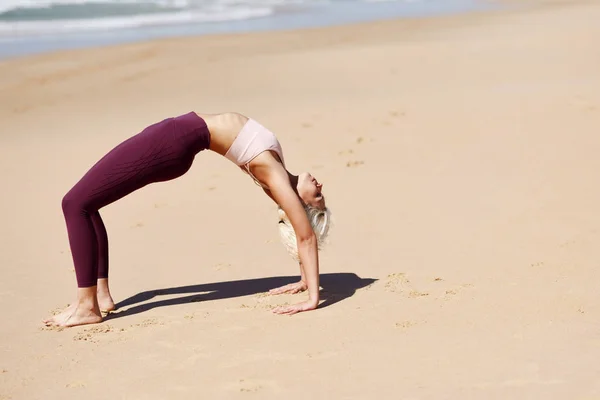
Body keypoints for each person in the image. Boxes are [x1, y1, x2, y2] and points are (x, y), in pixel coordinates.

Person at [43, 111, 331, 328]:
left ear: (300, 205)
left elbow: (305, 236)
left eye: (317, 199)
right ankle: (101, 295)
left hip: (173, 142)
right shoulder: (278, 175)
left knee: (74, 203)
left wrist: (313, 298)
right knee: (88, 204)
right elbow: (297, 231)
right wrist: (304, 278)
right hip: (176, 134)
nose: (320, 187)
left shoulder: (275, 176)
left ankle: (86, 307)